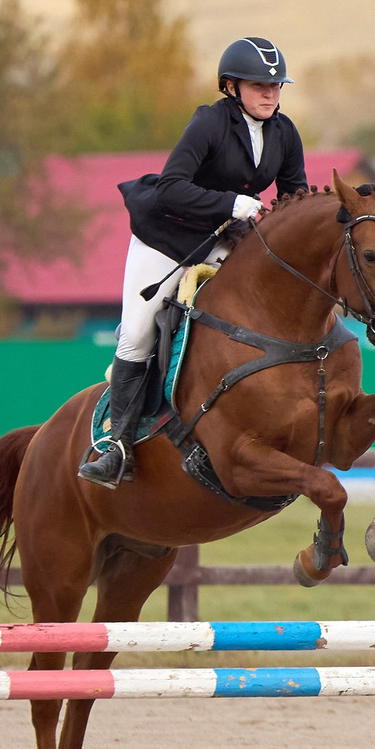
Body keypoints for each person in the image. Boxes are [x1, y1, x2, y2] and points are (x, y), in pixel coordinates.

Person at [80, 37, 309, 486]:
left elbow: (294, 199)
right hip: (166, 236)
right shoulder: (209, 122)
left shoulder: (285, 133)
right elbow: (171, 186)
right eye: (259, 86)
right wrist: (230, 203)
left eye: (276, 86)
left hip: (223, 238)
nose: (270, 94)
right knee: (138, 335)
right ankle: (115, 447)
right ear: (231, 86)